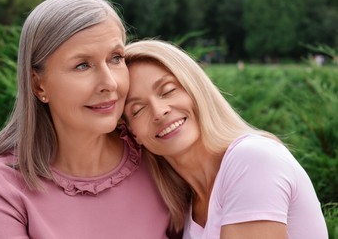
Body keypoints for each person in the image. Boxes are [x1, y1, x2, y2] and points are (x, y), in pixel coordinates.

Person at [0, 0, 172, 239]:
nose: (109, 83)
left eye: (116, 58)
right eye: (82, 65)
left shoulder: (157, 153)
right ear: (38, 85)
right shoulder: (3, 186)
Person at [123, 39, 328, 239]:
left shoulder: (252, 159)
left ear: (196, 89)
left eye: (168, 90)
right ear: (134, 134)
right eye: (138, 110)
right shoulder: (188, 210)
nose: (159, 112)